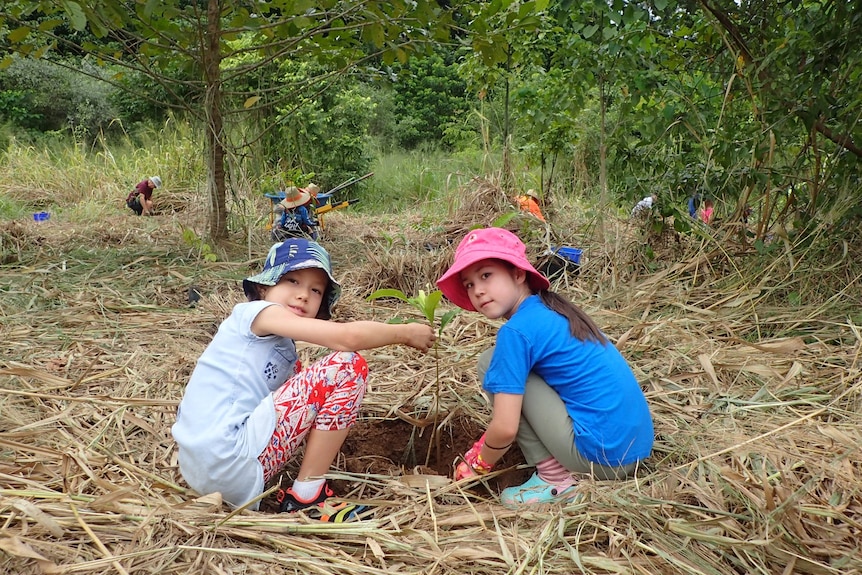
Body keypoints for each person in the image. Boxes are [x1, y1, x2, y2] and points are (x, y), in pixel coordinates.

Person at [172, 239, 436, 516]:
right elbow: (347, 339)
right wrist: (404, 332)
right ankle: (308, 497)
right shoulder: (253, 313)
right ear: (264, 287)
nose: (303, 295)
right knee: (347, 366)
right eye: (292, 281)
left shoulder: (280, 345)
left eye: (315, 289)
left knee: (307, 377)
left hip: (199, 469)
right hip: (229, 458)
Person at [436, 228, 653, 507]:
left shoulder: (516, 332)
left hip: (603, 459)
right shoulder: (551, 310)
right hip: (634, 449)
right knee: (507, 365)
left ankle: (555, 480)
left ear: (517, 274)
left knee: (490, 362)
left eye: (486, 275)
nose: (477, 290)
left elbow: (504, 429)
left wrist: (476, 464)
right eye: (468, 284)